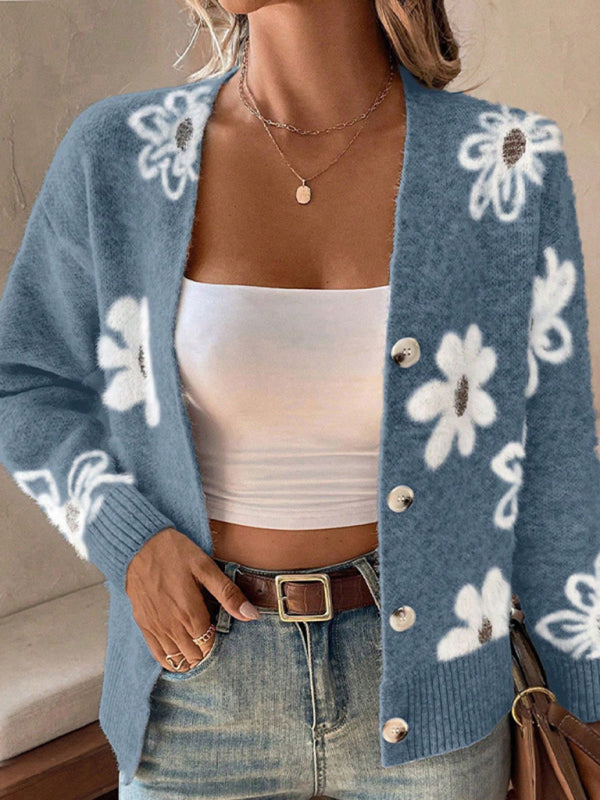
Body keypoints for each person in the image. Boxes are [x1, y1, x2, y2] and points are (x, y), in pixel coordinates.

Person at [1, 1, 600, 798]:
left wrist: (589, 709)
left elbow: (556, 464)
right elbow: (24, 379)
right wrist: (129, 540)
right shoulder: (120, 152)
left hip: (441, 695)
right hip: (195, 693)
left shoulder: (503, 162)